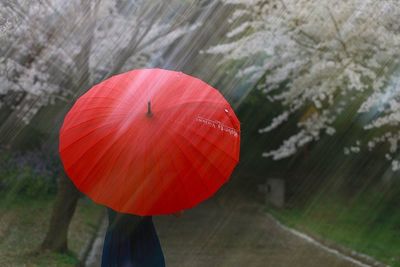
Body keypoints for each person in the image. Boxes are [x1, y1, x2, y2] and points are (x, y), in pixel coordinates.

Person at [101, 207, 183, 267]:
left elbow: (178, 212)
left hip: (124, 242)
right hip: (139, 241)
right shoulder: (147, 185)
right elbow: (178, 212)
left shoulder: (110, 185)